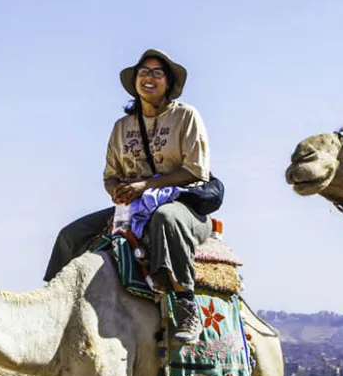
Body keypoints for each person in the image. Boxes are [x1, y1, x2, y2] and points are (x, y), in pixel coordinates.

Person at [44, 48, 215, 344]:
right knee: (71, 236)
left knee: (166, 219)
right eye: (143, 72)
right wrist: (117, 191)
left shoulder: (185, 116)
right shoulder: (122, 127)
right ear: (135, 81)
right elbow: (110, 174)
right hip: (134, 208)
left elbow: (195, 170)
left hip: (182, 206)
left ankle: (186, 304)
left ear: (168, 83)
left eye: (157, 73)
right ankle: (49, 306)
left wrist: (144, 186)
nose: (149, 77)